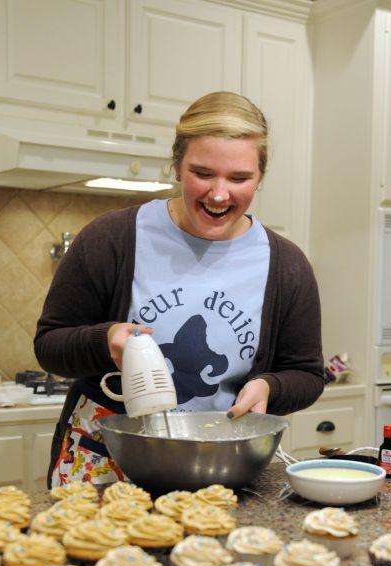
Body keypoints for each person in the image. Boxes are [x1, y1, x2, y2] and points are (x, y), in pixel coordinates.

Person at [34, 91, 324, 487]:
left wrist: (270, 386)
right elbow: (49, 343)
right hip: (105, 461)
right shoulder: (112, 239)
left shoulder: (285, 264)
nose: (219, 194)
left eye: (239, 178)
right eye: (202, 173)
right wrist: (106, 341)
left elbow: (306, 373)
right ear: (175, 164)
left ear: (260, 177)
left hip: (220, 464)